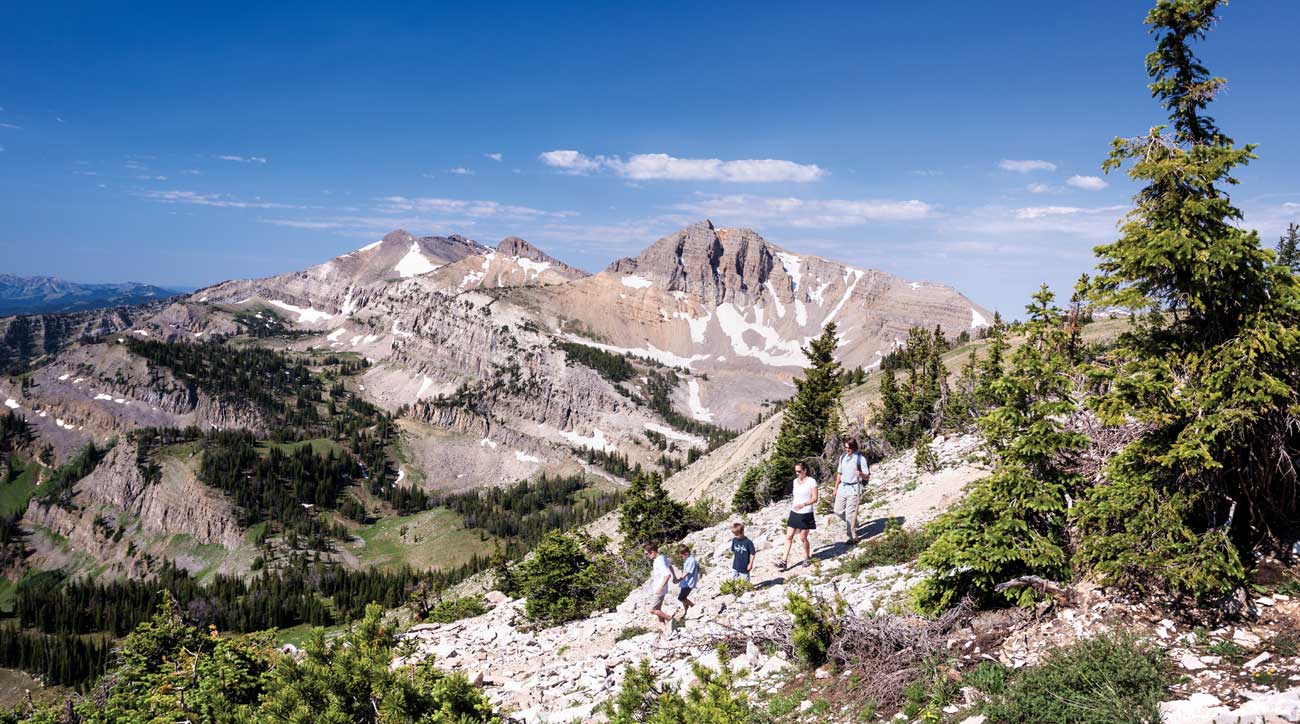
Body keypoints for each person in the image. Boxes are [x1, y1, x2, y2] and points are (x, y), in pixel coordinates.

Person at [777, 463, 818, 570]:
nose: (797, 473)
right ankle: (783, 560)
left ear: (805, 470)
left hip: (806, 512)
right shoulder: (795, 481)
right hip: (794, 512)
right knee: (789, 536)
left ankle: (806, 557)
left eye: (799, 471)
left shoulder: (811, 481)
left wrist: (804, 504)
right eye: (796, 471)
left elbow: (815, 498)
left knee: (802, 537)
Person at [833, 438, 870, 544]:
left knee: (850, 513)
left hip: (854, 488)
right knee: (838, 510)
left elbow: (867, 477)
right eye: (845, 447)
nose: (847, 449)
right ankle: (854, 522)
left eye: (849, 447)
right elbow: (839, 473)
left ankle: (852, 537)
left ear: (854, 447)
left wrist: (861, 474)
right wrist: (836, 488)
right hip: (843, 487)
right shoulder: (842, 457)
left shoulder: (860, 459)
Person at [644, 541, 677, 634]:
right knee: (658, 610)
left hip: (659, 590)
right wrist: (675, 577)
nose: (646, 556)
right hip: (658, 589)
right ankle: (664, 629)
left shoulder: (659, 561)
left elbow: (667, 575)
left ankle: (670, 619)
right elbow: (670, 566)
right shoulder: (662, 557)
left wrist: (660, 588)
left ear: (652, 552)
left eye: (647, 554)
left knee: (652, 610)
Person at [675, 544, 697, 619]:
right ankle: (686, 611)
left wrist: (679, 579)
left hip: (689, 583)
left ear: (686, 554)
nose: (681, 558)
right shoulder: (687, 560)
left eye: (681, 556)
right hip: (685, 583)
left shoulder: (691, 560)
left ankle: (693, 607)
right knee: (683, 597)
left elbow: (687, 572)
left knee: (681, 598)